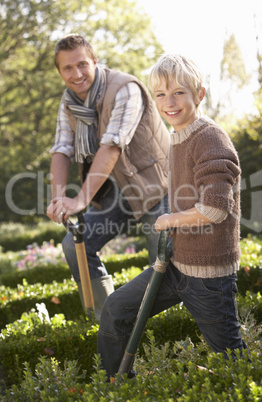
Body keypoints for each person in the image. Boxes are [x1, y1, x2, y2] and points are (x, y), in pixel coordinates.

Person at [97, 54, 248, 378]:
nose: (170, 102)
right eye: (162, 94)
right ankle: (115, 386)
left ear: (200, 95)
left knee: (233, 361)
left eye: (179, 92)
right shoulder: (178, 138)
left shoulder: (209, 137)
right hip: (177, 267)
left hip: (209, 276)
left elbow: (215, 208)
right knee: (116, 309)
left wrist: (168, 220)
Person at [46, 34, 170, 320]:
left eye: (82, 65)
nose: (76, 74)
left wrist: (80, 200)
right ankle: (108, 323)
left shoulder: (125, 89)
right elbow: (62, 149)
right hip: (117, 188)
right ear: (59, 71)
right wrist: (59, 199)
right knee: (74, 244)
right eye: (68, 68)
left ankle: (166, 330)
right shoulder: (68, 102)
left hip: (157, 185)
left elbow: (112, 145)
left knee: (162, 264)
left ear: (95, 62)